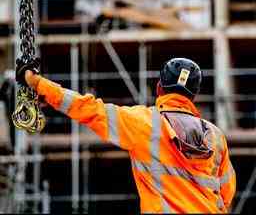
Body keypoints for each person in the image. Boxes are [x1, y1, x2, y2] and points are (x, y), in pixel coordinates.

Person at [16, 57, 236, 213]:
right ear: (194, 94)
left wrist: (38, 84)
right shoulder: (216, 136)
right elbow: (227, 193)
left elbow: (89, 109)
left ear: (159, 88)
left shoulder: (145, 123)